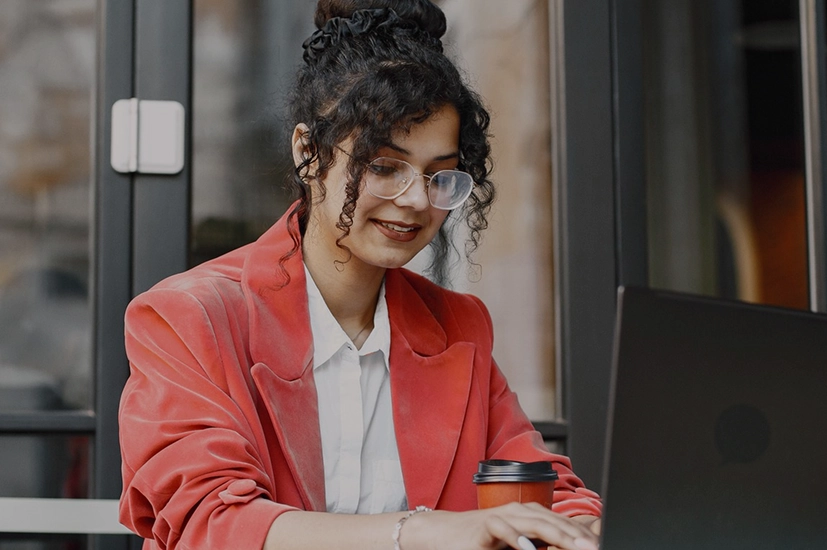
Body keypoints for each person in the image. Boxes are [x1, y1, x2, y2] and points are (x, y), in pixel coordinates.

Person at [117, 1, 602, 548]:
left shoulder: (460, 327)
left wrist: (586, 527)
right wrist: (417, 533)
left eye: (440, 176)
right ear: (307, 152)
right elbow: (210, 524)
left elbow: (540, 485)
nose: (417, 200)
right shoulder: (189, 318)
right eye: (384, 166)